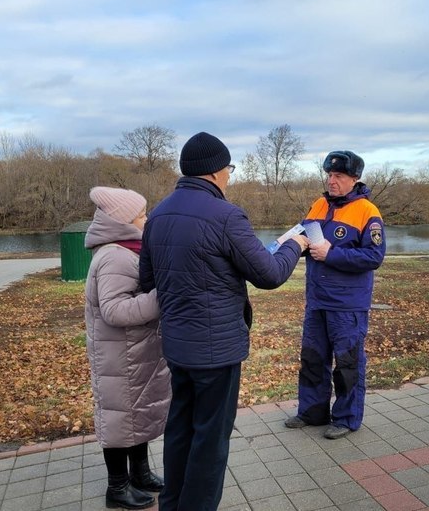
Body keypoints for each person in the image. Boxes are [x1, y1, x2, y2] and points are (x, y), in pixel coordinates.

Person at [139, 131, 308, 511]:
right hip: (216, 352)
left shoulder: (159, 214)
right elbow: (268, 275)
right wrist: (295, 245)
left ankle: (173, 504)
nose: (230, 175)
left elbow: (148, 280)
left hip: (178, 348)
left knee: (180, 429)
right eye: (229, 168)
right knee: (211, 440)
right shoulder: (226, 215)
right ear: (216, 172)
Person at [284, 150, 386, 440]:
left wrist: (332, 254)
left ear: (354, 178)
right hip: (317, 300)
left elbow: (374, 256)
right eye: (329, 175)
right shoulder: (318, 205)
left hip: (347, 305)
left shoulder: (368, 212)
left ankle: (346, 418)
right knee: (313, 358)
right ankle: (312, 412)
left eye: (338, 176)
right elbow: (301, 234)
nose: (332, 181)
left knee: (348, 363)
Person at [84, 186, 172, 510]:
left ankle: (140, 473)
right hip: (118, 358)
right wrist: (162, 296)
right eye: (141, 214)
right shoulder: (114, 256)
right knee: (120, 420)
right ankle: (117, 487)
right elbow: (114, 310)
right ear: (123, 221)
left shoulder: (128, 249)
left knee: (137, 416)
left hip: (132, 353)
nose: (147, 219)